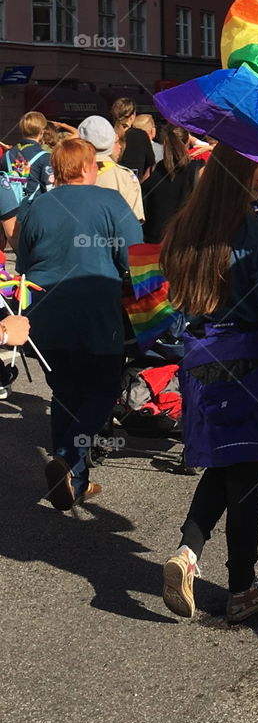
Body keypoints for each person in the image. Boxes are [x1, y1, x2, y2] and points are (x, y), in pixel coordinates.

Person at [160, 144, 258, 624]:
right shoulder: (254, 233)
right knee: (247, 478)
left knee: (227, 465)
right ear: (242, 176)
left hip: (200, 357)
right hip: (248, 362)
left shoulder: (183, 229)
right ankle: (242, 586)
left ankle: (188, 551)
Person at [17, 138, 142, 508]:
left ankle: (74, 479)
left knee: (65, 394)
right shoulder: (110, 203)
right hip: (97, 314)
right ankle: (68, 458)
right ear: (88, 166)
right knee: (103, 392)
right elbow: (136, 259)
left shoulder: (37, 207)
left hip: (46, 316)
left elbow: (24, 264)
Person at [141, 124, 204, 243]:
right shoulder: (198, 170)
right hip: (186, 243)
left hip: (154, 242)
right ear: (187, 142)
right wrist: (207, 147)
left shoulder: (152, 171)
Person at [0, 111, 54, 246]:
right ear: (42, 132)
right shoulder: (44, 157)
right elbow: (50, 190)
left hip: (10, 213)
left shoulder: (6, 155)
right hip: (34, 214)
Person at [78, 115, 144, 223]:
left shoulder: (68, 172)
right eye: (117, 141)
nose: (120, 146)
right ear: (111, 141)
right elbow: (134, 223)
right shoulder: (125, 177)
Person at [110, 97, 155, 180]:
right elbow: (151, 165)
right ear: (132, 117)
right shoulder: (141, 136)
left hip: (111, 186)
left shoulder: (107, 135)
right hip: (135, 186)